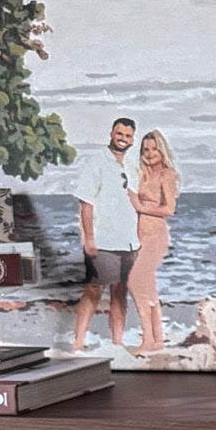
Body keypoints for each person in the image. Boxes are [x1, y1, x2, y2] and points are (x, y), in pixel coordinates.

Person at [70, 115, 141, 350]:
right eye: (119, 133)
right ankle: (78, 342)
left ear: (133, 139)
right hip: (103, 241)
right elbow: (86, 204)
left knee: (120, 292)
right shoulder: (97, 162)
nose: (123, 139)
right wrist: (89, 238)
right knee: (94, 290)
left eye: (128, 135)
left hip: (130, 241)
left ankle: (117, 343)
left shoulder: (132, 167)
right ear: (112, 133)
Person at [128, 129, 180, 352]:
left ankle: (148, 338)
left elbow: (169, 209)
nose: (149, 154)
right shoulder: (142, 173)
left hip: (155, 237)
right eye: (145, 149)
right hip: (139, 236)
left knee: (134, 280)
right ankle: (157, 339)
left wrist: (141, 206)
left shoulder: (166, 174)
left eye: (154, 148)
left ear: (162, 149)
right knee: (147, 285)